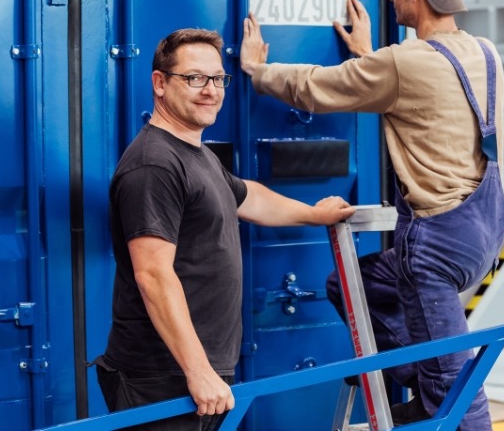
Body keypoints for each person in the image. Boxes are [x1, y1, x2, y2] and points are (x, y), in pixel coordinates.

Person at [239, 0, 504, 429]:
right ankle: (422, 384)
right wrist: (372, 56)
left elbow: (313, 88)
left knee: (460, 392)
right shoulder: (485, 52)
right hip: (484, 232)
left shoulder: (401, 63)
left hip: (435, 248)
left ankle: (437, 399)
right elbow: (430, 97)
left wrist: (258, 71)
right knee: (350, 285)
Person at [94, 28, 356, 431]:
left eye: (218, 79)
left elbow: (248, 196)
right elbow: (153, 276)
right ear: (160, 83)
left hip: (195, 372)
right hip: (162, 376)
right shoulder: (154, 165)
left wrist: (313, 214)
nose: (210, 90)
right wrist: (197, 371)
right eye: (194, 78)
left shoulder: (196, 155)